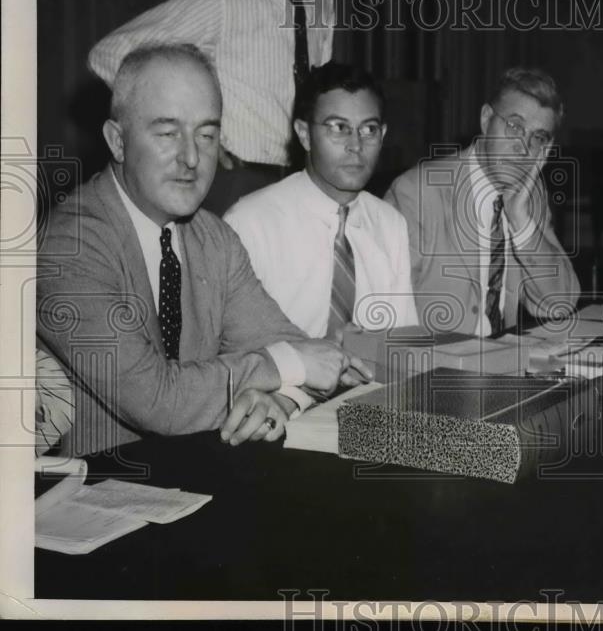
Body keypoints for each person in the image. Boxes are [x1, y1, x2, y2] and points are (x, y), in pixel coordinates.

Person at [37, 44, 368, 457]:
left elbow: (298, 351)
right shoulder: (69, 247)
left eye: (207, 134)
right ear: (117, 141)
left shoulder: (214, 238)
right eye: (168, 133)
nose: (191, 157)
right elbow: (156, 400)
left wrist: (279, 400)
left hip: (198, 484)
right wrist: (279, 367)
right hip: (93, 500)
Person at [87, 0, 342, 214]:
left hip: (301, 183)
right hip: (237, 180)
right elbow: (108, 54)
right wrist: (188, 130)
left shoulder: (325, 4)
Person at [225, 62, 418, 338]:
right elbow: (233, 351)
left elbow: (402, 341)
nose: (355, 145)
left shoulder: (390, 224)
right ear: (304, 135)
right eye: (338, 128)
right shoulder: (250, 224)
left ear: (383, 135)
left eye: (369, 130)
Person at [385, 67, 580, 338]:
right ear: (486, 119)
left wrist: (522, 222)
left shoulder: (529, 197)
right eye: (514, 126)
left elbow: (559, 304)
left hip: (502, 364)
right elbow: (389, 316)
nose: (523, 148)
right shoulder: (416, 193)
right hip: (434, 366)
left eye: (538, 138)